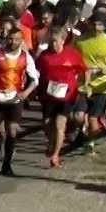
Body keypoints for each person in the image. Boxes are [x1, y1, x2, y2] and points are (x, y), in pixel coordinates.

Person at [0, 24, 39, 177]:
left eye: (17, 39)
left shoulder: (26, 57)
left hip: (16, 97)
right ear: (6, 40)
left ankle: (7, 163)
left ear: (22, 41)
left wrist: (25, 93)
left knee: (12, 130)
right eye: (10, 39)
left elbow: (35, 79)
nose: (13, 42)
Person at [35, 24, 88, 169]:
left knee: (59, 124)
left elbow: (84, 70)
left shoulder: (72, 54)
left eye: (56, 40)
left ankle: (56, 155)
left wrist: (85, 85)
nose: (53, 44)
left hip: (67, 95)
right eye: (51, 41)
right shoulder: (44, 56)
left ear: (63, 40)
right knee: (46, 124)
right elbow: (36, 71)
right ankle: (51, 142)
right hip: (48, 96)